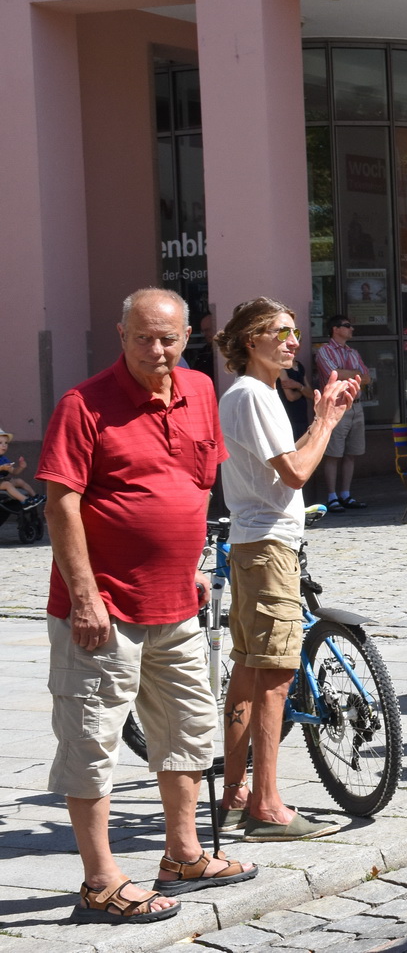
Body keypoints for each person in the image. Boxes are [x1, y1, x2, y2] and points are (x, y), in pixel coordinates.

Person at [37, 288, 256, 923]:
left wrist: (189, 568)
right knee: (91, 740)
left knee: (187, 731)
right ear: (121, 334)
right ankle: (100, 881)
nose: (155, 350)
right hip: (103, 610)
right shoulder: (84, 404)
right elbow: (61, 505)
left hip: (177, 605)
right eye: (142, 338)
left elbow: (194, 486)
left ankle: (183, 855)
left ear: (187, 337)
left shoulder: (201, 392)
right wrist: (85, 598)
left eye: (167, 338)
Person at [210, 297, 359, 841]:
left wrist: (327, 420)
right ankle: (267, 807)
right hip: (268, 545)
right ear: (252, 340)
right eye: (281, 331)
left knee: (250, 671)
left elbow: (282, 462)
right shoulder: (251, 393)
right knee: (275, 673)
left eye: (295, 331)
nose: (294, 340)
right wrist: (324, 421)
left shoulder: (256, 394)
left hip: (258, 543)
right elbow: (297, 473)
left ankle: (234, 795)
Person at [313, 316, 371, 511]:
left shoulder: (353, 352)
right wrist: (354, 373)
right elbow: (333, 374)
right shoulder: (324, 351)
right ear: (335, 329)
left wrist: (348, 372)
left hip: (356, 406)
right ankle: (332, 496)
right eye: (347, 326)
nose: (351, 329)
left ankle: (345, 494)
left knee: (352, 453)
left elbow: (367, 378)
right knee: (333, 453)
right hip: (335, 406)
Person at [0, 427, 41, 506]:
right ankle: (25, 501)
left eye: (6, 443)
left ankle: (34, 497)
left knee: (19, 481)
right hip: (3, 483)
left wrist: (21, 467)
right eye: (0, 443)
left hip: (2, 480)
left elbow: (13, 471)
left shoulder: (4, 459)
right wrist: (2, 468)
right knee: (7, 484)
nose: (4, 445)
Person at [276, 355, 312, 439]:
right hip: (288, 418)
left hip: (302, 418)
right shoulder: (282, 368)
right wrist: (303, 390)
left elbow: (311, 395)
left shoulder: (300, 366)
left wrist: (298, 386)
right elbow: (291, 397)